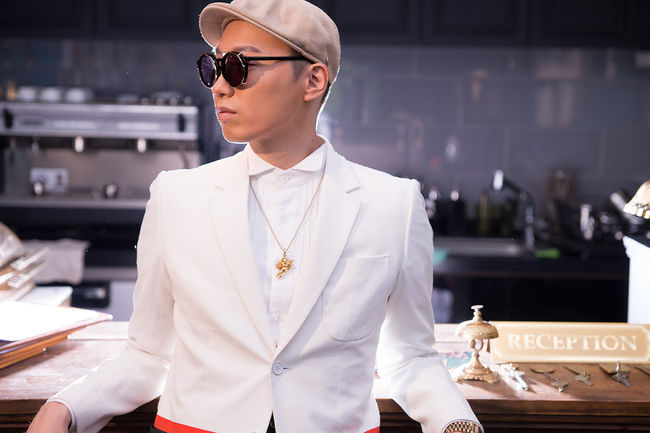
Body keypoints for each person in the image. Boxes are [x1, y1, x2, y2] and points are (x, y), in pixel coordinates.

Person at [27, 1, 482, 432]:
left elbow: (410, 358)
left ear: (312, 80)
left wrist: (456, 422)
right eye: (212, 68)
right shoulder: (175, 196)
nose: (219, 86)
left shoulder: (394, 205)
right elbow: (148, 351)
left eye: (238, 67)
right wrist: (65, 407)